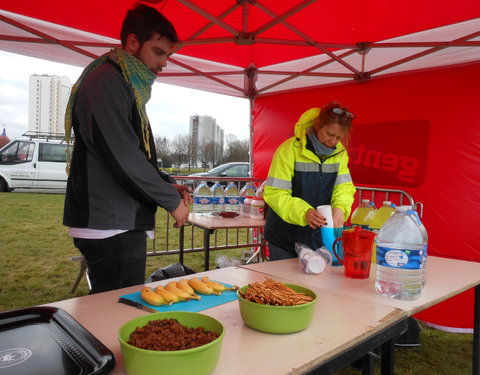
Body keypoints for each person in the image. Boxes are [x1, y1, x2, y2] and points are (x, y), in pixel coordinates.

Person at [63, 3, 191, 294]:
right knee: (117, 314)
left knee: (112, 310)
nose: (164, 63)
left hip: (117, 221)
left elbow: (132, 152)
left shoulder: (123, 82)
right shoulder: (107, 81)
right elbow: (123, 157)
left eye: (168, 55)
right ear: (133, 42)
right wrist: (171, 202)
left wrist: (167, 185)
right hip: (111, 225)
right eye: (158, 52)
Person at [263, 102, 356, 260]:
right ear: (318, 126)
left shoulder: (340, 154)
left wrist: (340, 208)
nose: (333, 141)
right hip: (284, 238)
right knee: (283, 284)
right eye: (329, 134)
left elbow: (344, 188)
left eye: (339, 137)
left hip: (318, 240)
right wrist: (303, 212)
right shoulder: (289, 150)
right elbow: (275, 193)